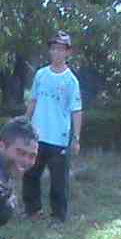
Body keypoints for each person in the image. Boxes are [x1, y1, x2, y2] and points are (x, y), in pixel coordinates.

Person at [23, 31, 82, 222]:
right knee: (31, 174)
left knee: (59, 180)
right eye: (54, 48)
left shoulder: (71, 80)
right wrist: (25, 123)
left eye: (61, 49)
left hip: (59, 138)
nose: (56, 53)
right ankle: (32, 210)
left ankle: (58, 214)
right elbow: (33, 100)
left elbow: (76, 110)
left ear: (68, 53)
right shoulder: (41, 75)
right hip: (37, 135)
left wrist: (76, 138)